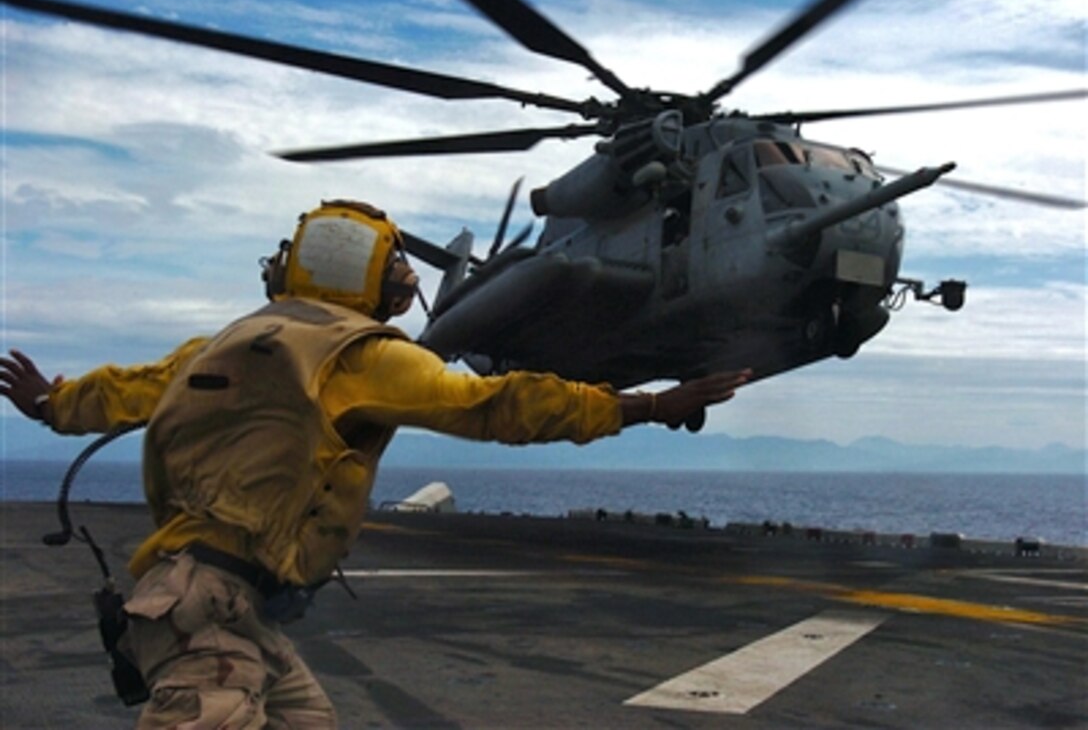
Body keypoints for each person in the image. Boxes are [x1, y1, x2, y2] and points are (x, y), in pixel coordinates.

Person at [1, 199, 750, 728]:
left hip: (214, 603)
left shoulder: (225, 343)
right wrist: (647, 406)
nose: (406, 285)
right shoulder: (363, 357)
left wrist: (49, 405)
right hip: (210, 615)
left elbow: (124, 392)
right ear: (375, 276)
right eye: (396, 272)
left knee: (308, 718)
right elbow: (498, 406)